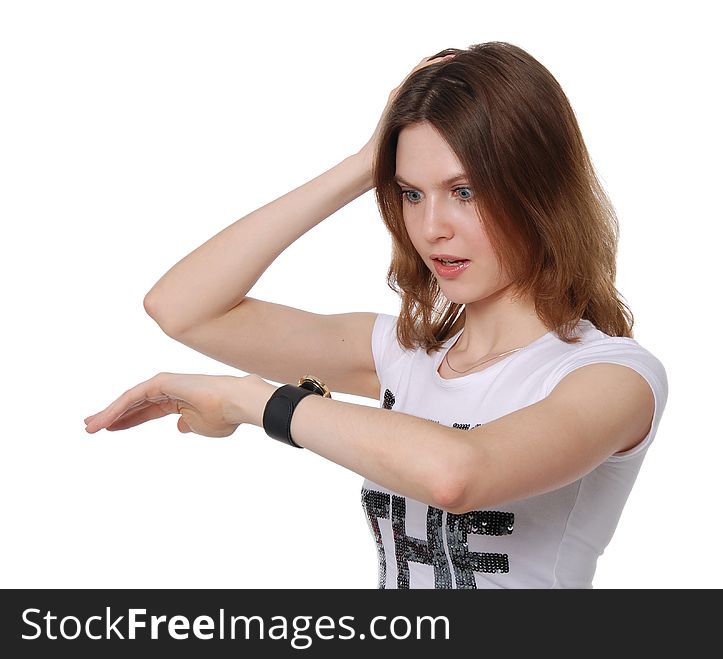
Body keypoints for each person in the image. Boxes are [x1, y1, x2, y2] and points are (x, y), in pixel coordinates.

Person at [84, 41, 668, 589]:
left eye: (463, 191)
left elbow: (458, 476)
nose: (431, 226)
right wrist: (367, 161)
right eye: (411, 193)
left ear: (538, 190)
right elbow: (182, 307)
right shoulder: (402, 356)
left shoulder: (613, 378)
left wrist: (253, 401)